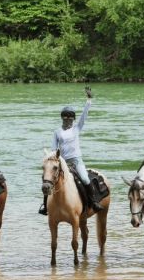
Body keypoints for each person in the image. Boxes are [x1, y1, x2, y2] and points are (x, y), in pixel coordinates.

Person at [39, 86, 104, 215]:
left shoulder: (76, 128)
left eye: (70, 117)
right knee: (47, 179)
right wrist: (52, 159)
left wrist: (89, 100)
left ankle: (93, 202)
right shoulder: (57, 132)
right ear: (62, 118)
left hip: (76, 160)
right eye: (65, 117)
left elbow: (84, 116)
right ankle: (45, 206)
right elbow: (53, 149)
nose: (68, 119)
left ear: (73, 119)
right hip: (62, 162)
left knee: (85, 179)